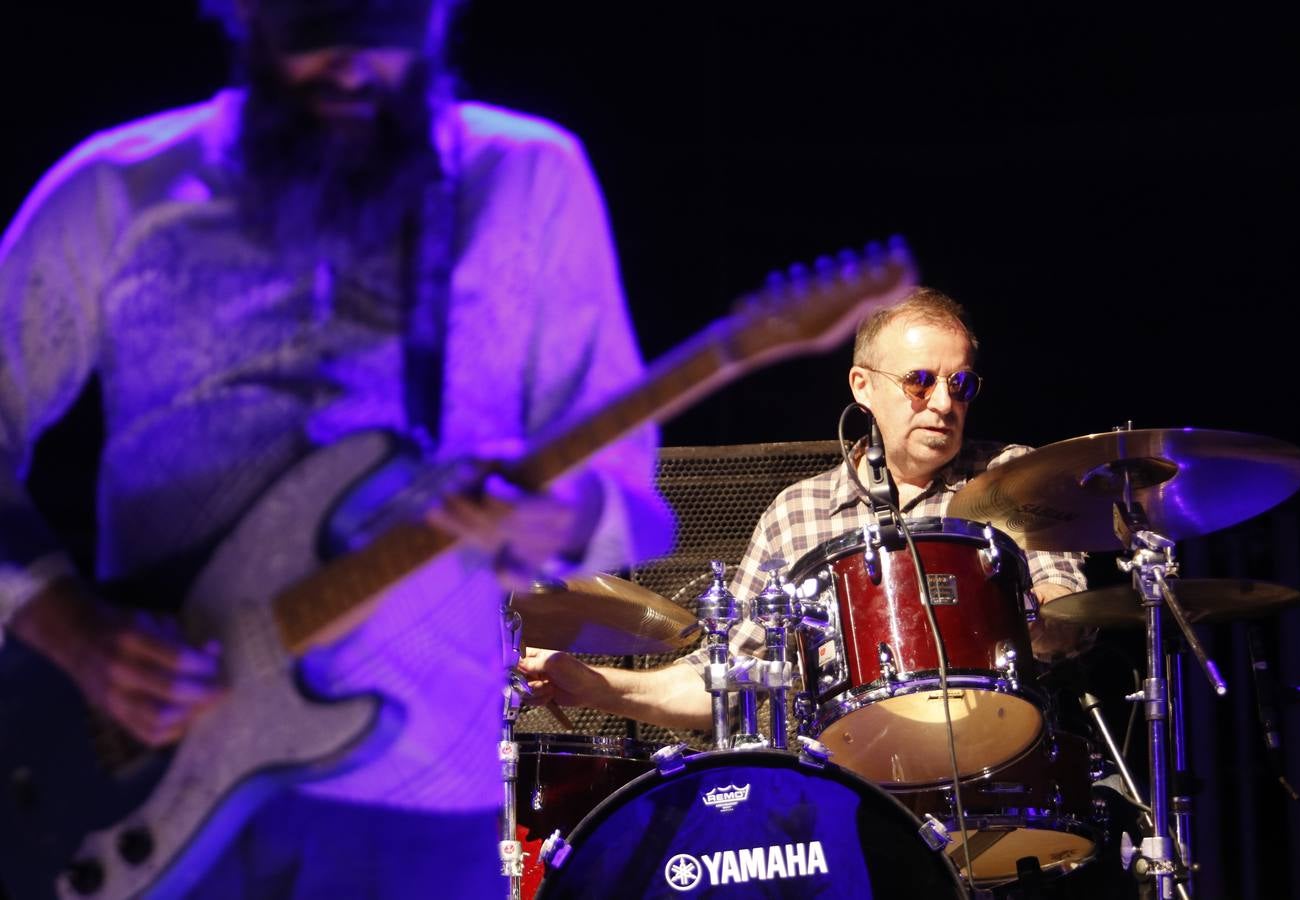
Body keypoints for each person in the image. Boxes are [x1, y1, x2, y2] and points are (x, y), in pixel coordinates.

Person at [0, 0, 671, 896]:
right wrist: (71, 630)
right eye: (312, 31)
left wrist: (559, 515)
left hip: (422, 794)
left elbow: (626, 493)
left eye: (384, 31)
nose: (351, 67)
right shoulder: (120, 189)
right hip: (144, 789)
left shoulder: (523, 180)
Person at [520, 287, 1090, 731]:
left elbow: (1070, 618)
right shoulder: (797, 514)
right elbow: (727, 678)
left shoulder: (1016, 479)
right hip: (854, 779)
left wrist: (1031, 615)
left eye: (960, 384)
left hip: (1000, 757)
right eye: (919, 382)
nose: (943, 403)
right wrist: (596, 684)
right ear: (862, 385)